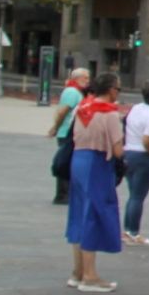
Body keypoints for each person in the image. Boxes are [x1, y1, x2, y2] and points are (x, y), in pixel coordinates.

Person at [65, 71, 124, 292]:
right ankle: (90, 276)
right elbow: (118, 151)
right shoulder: (109, 114)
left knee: (79, 214)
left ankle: (77, 271)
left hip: (78, 160)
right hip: (98, 163)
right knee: (95, 214)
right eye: (118, 89)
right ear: (110, 90)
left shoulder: (82, 108)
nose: (118, 93)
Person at [121, 81, 149, 245]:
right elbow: (147, 139)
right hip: (142, 155)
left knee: (133, 195)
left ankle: (127, 230)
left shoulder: (135, 108)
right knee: (138, 196)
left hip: (128, 151)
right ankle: (134, 232)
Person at [48, 68, 90, 203]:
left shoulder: (76, 91)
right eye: (86, 78)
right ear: (77, 78)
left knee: (69, 161)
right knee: (66, 160)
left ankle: (66, 193)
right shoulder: (72, 92)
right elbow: (63, 111)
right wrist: (56, 127)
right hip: (67, 131)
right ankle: (62, 194)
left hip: (69, 131)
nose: (88, 81)